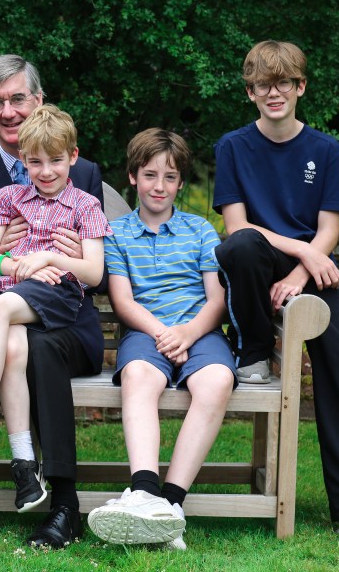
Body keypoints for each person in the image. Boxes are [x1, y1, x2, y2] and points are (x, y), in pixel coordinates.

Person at [212, 40, 339, 546]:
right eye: (264, 84)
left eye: (285, 82)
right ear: (251, 93)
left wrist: (302, 273)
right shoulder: (231, 146)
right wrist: (304, 253)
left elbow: (328, 230)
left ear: (300, 87)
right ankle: (251, 351)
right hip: (262, 264)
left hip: (313, 279)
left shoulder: (326, 150)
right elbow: (236, 227)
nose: (275, 92)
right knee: (241, 248)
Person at [0, 54, 105, 549]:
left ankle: (64, 505)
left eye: (18, 99)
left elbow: (93, 264)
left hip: (63, 310)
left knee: (43, 348)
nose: (9, 111)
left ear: (38, 101)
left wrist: (54, 253)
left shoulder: (86, 176)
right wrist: (8, 256)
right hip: (0, 297)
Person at [87, 129, 235, 550]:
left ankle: (170, 506)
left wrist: (188, 331)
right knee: (138, 377)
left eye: (170, 177)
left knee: (216, 382)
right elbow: (122, 301)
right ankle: (144, 491)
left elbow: (217, 298)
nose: (159, 186)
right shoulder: (115, 233)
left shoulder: (200, 230)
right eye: (150, 175)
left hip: (199, 330)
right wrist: (163, 333)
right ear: (133, 176)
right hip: (145, 332)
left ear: (181, 183)